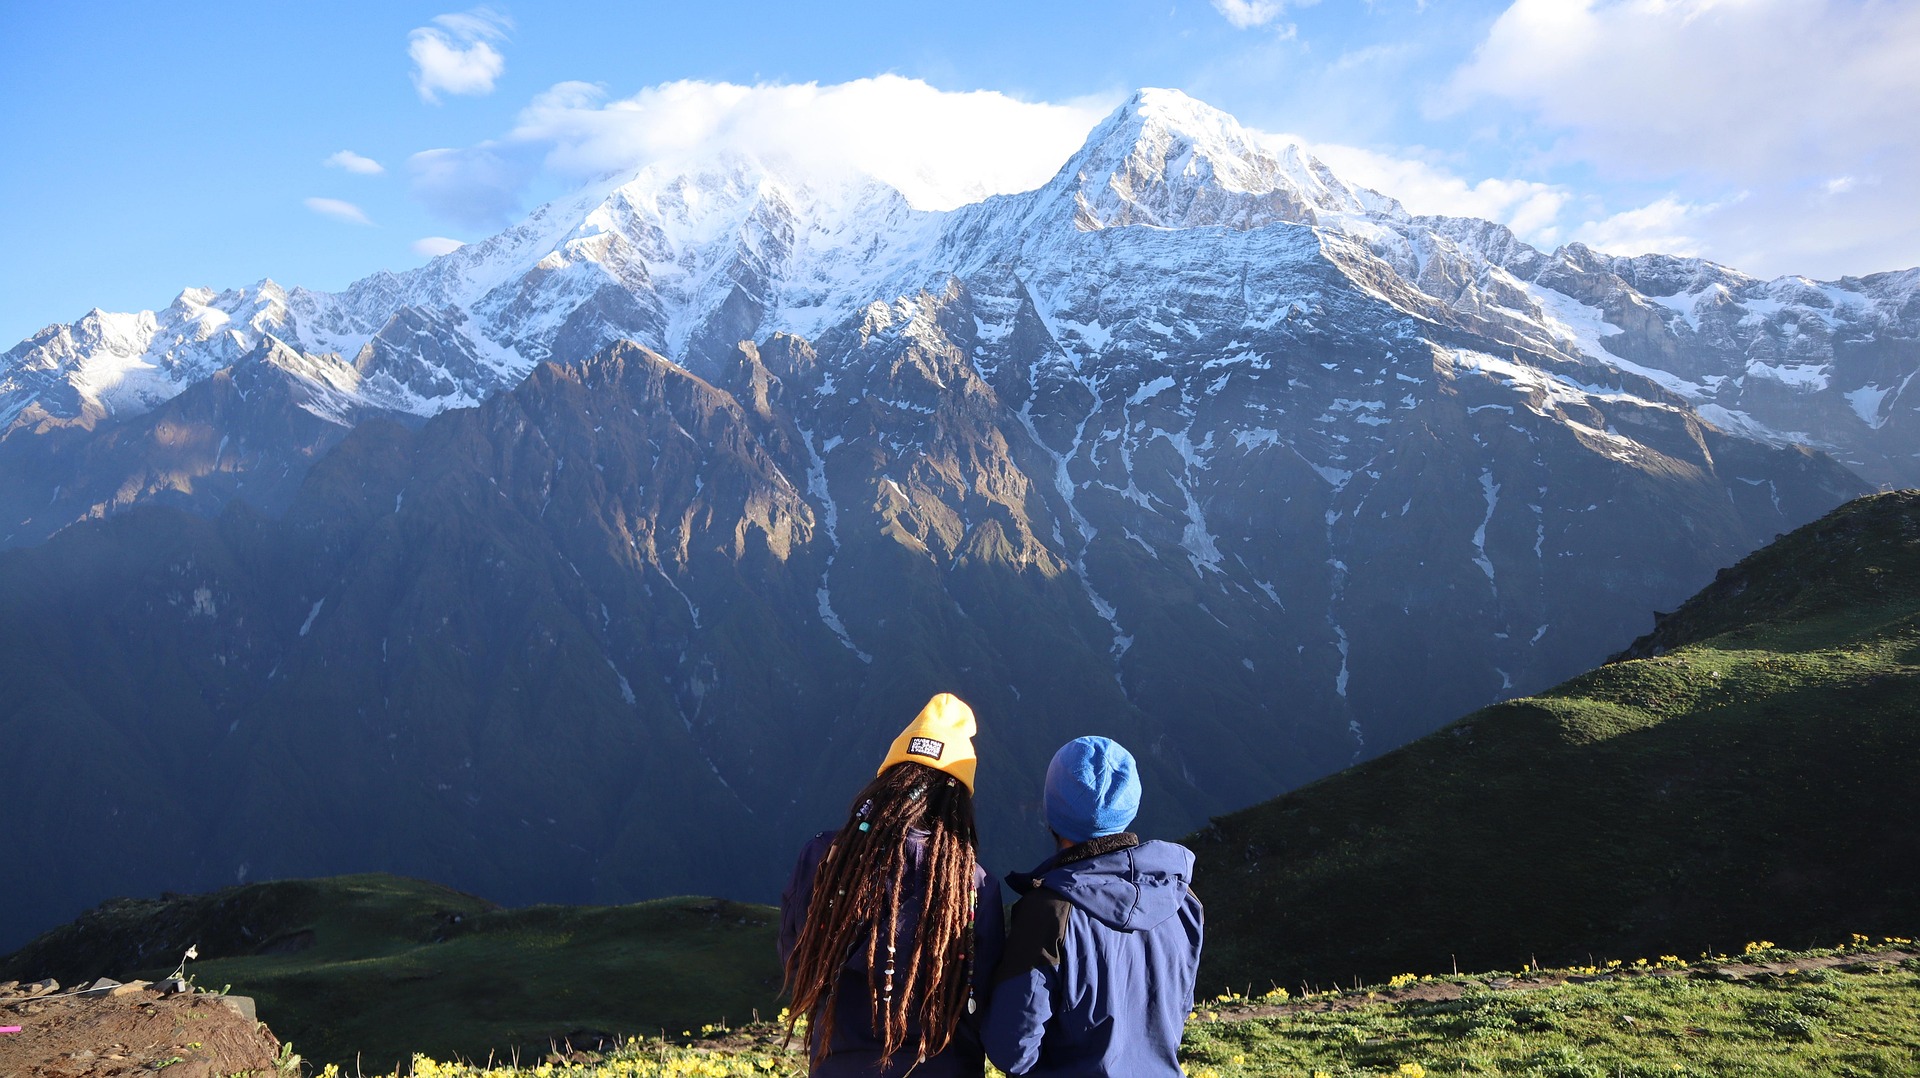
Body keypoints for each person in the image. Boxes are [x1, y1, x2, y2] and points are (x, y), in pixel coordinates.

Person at [779, 693, 1006, 1076]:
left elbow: (796, 951)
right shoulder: (974, 886)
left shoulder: (825, 858)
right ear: (958, 802)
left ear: (888, 779)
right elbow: (981, 996)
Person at [982, 735, 1204, 1077]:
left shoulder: (1051, 913)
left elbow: (1012, 1048)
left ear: (1052, 811)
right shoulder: (1182, 899)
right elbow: (1178, 1012)